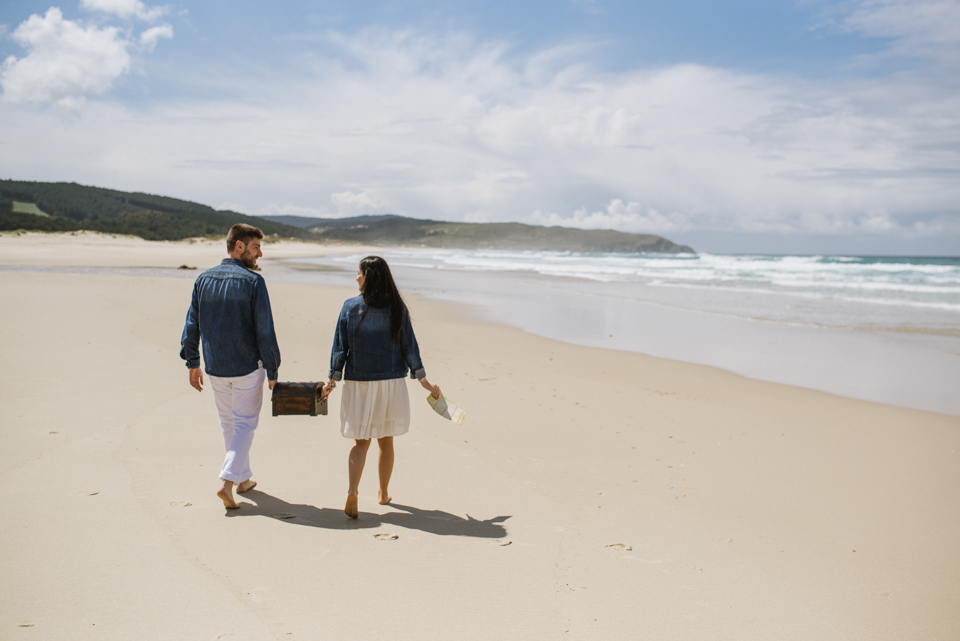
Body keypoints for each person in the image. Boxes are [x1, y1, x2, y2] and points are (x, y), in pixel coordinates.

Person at [322, 256, 440, 518]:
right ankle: (383, 494)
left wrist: (332, 380)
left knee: (360, 443)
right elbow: (410, 347)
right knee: (385, 442)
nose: (356, 278)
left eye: (359, 273)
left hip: (358, 383)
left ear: (369, 276)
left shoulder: (349, 307)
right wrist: (423, 379)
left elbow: (339, 349)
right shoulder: (397, 307)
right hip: (389, 383)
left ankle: (353, 491)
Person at [180, 223, 281, 509]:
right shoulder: (252, 282)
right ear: (239, 246)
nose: (259, 253)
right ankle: (226, 481)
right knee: (245, 425)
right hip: (247, 366)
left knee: (229, 424)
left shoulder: (203, 279)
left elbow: (192, 325)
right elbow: (265, 331)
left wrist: (193, 362)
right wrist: (272, 369)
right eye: (256, 247)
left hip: (215, 367)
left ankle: (243, 478)